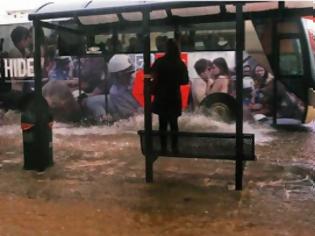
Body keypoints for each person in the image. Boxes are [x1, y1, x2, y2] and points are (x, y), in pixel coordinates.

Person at [151, 39, 189, 153]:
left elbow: (150, 75)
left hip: (161, 96)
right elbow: (185, 81)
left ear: (166, 49)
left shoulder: (159, 62)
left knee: (162, 124)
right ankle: (174, 147)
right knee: (174, 124)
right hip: (174, 97)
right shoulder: (180, 63)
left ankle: (163, 148)